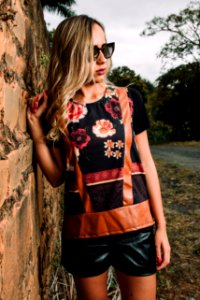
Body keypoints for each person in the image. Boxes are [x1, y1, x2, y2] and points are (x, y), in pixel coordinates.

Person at [27, 14, 170, 300]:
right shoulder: (58, 110)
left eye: (106, 49)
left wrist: (161, 227)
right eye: (92, 53)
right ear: (71, 55)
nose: (103, 59)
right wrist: (38, 136)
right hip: (84, 235)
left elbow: (148, 164)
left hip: (137, 228)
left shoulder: (129, 99)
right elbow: (56, 177)